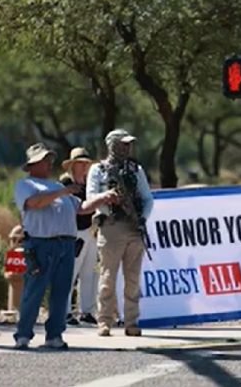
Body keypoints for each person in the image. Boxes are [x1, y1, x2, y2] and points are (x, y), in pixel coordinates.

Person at [12, 143, 117, 350]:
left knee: (61, 292)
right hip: (40, 244)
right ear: (32, 164)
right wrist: (63, 192)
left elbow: (81, 208)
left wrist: (103, 198)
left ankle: (55, 335)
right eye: (43, 160)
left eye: (49, 159)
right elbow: (34, 203)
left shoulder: (58, 188)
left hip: (66, 245)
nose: (48, 163)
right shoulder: (26, 185)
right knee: (34, 291)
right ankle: (23, 335)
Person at [87, 129, 154, 337]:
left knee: (132, 279)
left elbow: (147, 198)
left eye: (129, 144)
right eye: (123, 144)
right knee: (108, 277)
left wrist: (141, 217)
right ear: (112, 145)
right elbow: (91, 196)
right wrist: (108, 203)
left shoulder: (136, 169)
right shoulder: (98, 170)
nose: (127, 147)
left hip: (134, 229)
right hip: (111, 226)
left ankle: (131, 322)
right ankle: (105, 321)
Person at [60, 147, 98, 326]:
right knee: (70, 273)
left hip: (91, 231)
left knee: (89, 273)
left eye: (85, 164)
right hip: (74, 232)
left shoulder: (89, 184)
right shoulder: (66, 184)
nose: (83, 167)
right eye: (80, 164)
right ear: (73, 165)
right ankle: (65, 310)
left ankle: (87, 311)